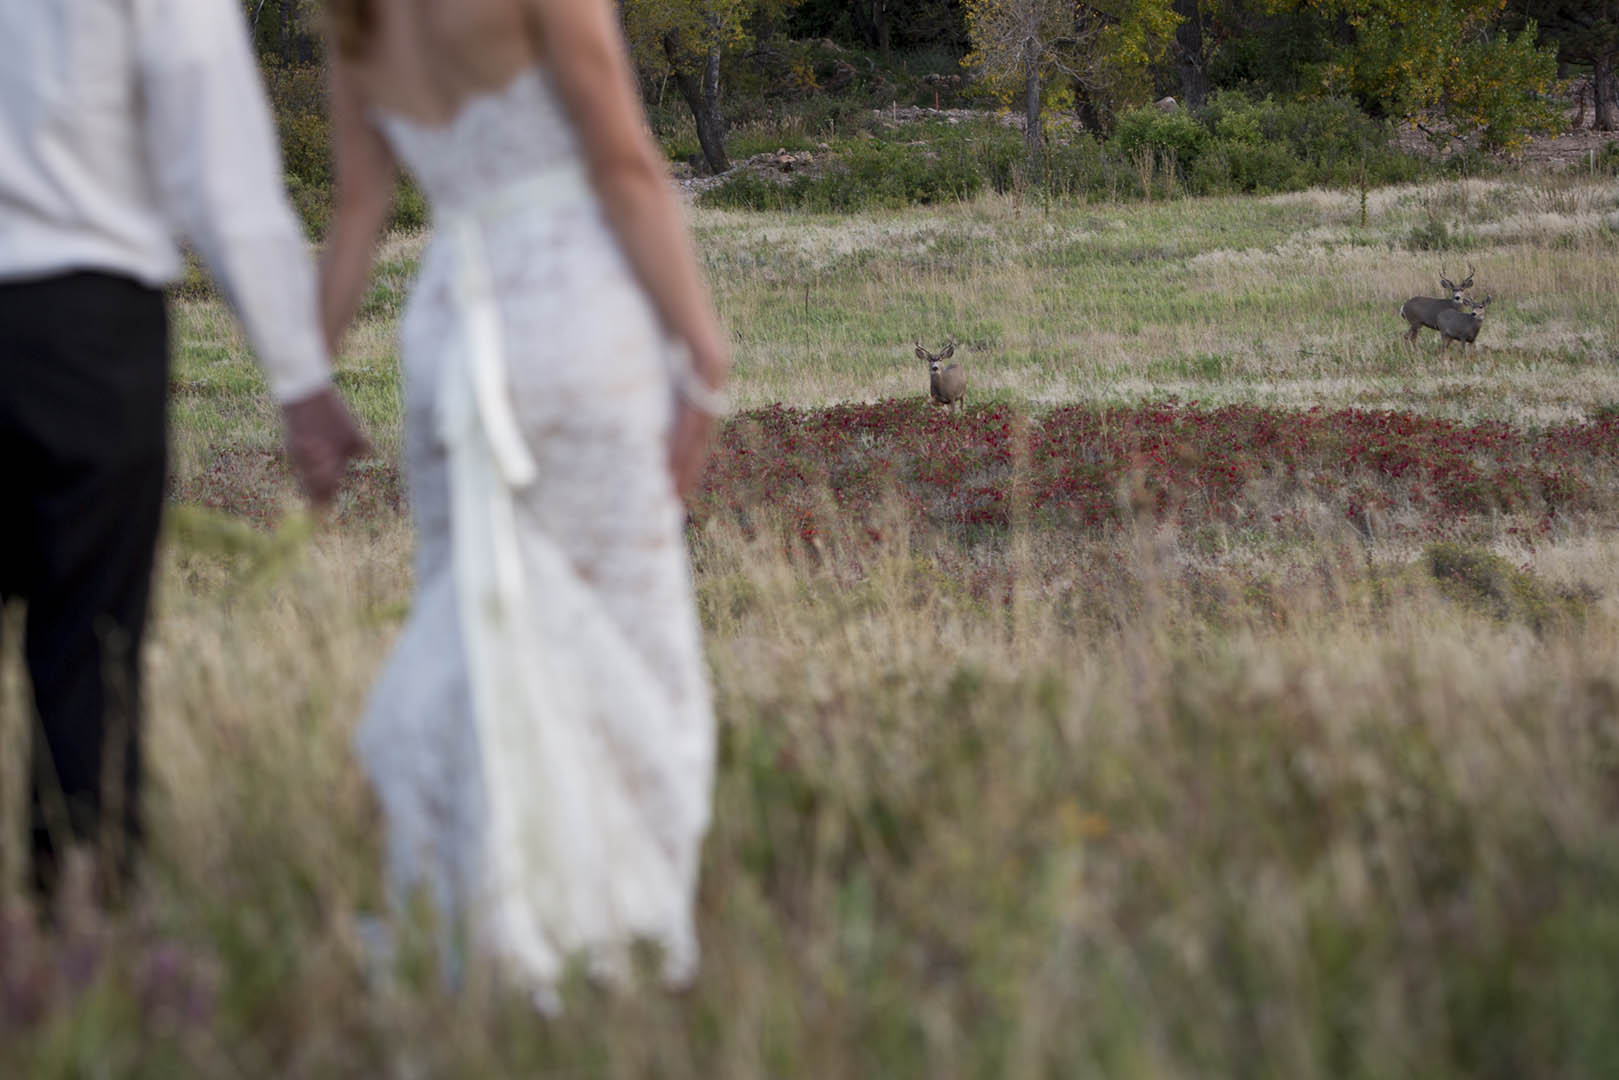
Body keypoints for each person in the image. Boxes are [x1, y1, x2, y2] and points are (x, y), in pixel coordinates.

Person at [317, 0, 730, 1002]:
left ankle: (496, 919)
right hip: (570, 311)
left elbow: (358, 203)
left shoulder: (349, 11)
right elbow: (623, 163)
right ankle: (622, 932)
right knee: (628, 633)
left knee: (480, 615)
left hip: (449, 323)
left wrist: (308, 376)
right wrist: (704, 356)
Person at [0, 2, 367, 905]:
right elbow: (223, 174)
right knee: (90, 644)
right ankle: (79, 927)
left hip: (81, 312)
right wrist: (299, 376)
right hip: (80, 325)